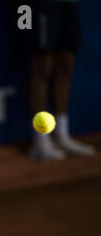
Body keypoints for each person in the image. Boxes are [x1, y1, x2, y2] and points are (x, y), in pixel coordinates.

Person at [28, 0, 95, 160]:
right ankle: (40, 141)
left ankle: (62, 135)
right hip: (42, 5)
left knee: (66, 64)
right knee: (42, 67)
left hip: (69, 3)